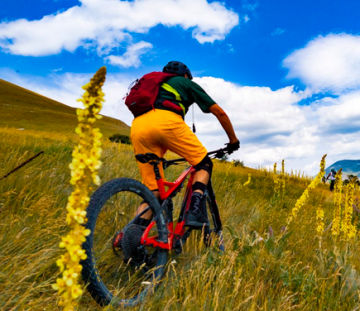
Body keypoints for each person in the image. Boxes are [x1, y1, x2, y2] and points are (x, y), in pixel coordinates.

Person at [130, 61, 239, 229]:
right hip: (166, 122)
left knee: (154, 191)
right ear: (186, 75)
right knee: (204, 163)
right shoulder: (186, 82)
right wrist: (233, 140)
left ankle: (132, 236)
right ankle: (194, 210)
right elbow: (220, 112)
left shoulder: (155, 83)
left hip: (138, 127)